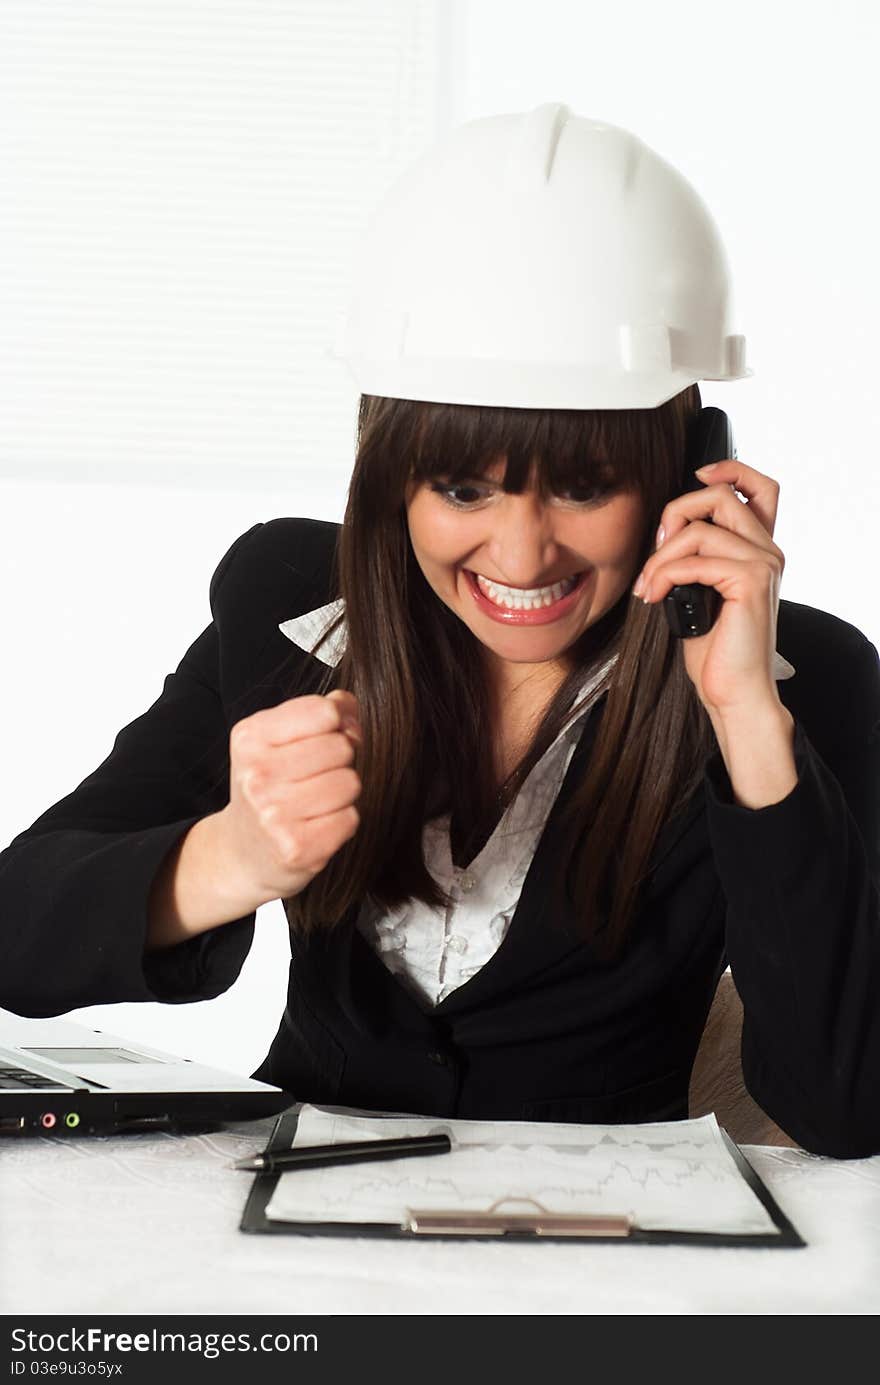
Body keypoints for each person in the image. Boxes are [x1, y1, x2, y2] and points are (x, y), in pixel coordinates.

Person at [1, 105, 878, 1159]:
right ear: (389, 474)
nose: (520, 556)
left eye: (586, 487)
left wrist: (744, 717)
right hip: (288, 1226)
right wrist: (226, 857)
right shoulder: (285, 602)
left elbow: (844, 1105)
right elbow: (19, 933)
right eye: (462, 487)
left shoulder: (799, 680)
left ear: (684, 467)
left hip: (613, 1257)